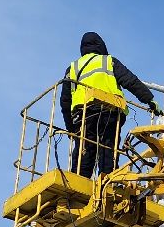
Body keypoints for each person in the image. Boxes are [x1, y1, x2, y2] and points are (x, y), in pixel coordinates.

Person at [59, 31, 158, 179]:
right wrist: (149, 100)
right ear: (100, 45)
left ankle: (78, 183)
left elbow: (65, 101)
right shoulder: (108, 61)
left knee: (84, 151)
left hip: (83, 116)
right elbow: (130, 81)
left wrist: (71, 129)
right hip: (109, 113)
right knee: (108, 150)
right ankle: (107, 181)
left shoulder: (73, 68)